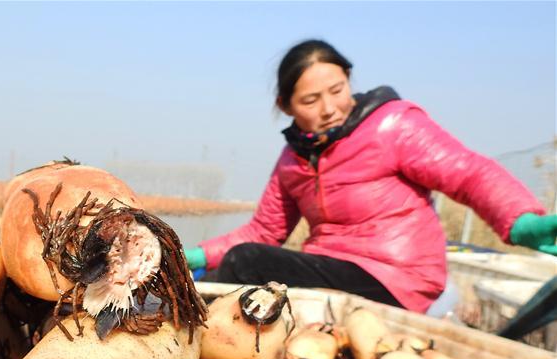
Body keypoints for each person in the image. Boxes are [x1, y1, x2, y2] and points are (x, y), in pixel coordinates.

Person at [184, 39, 557, 313]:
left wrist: (520, 220)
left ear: (349, 80)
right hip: (334, 266)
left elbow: (468, 173)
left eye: (337, 90)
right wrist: (196, 255)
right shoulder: (292, 159)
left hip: (396, 275)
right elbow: (264, 231)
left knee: (246, 262)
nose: (330, 109)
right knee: (237, 260)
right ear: (285, 106)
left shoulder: (392, 124)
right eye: (311, 101)